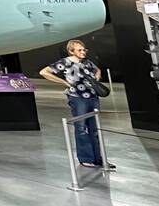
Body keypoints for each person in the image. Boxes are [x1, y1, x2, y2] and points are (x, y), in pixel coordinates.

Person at [40, 39, 113, 169]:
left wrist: (96, 78)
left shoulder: (87, 62)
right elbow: (44, 72)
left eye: (84, 49)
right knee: (81, 128)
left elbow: (97, 70)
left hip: (93, 97)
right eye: (79, 50)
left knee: (95, 130)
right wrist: (64, 82)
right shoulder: (65, 63)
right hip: (78, 98)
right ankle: (86, 158)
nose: (83, 52)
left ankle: (98, 159)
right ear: (71, 51)